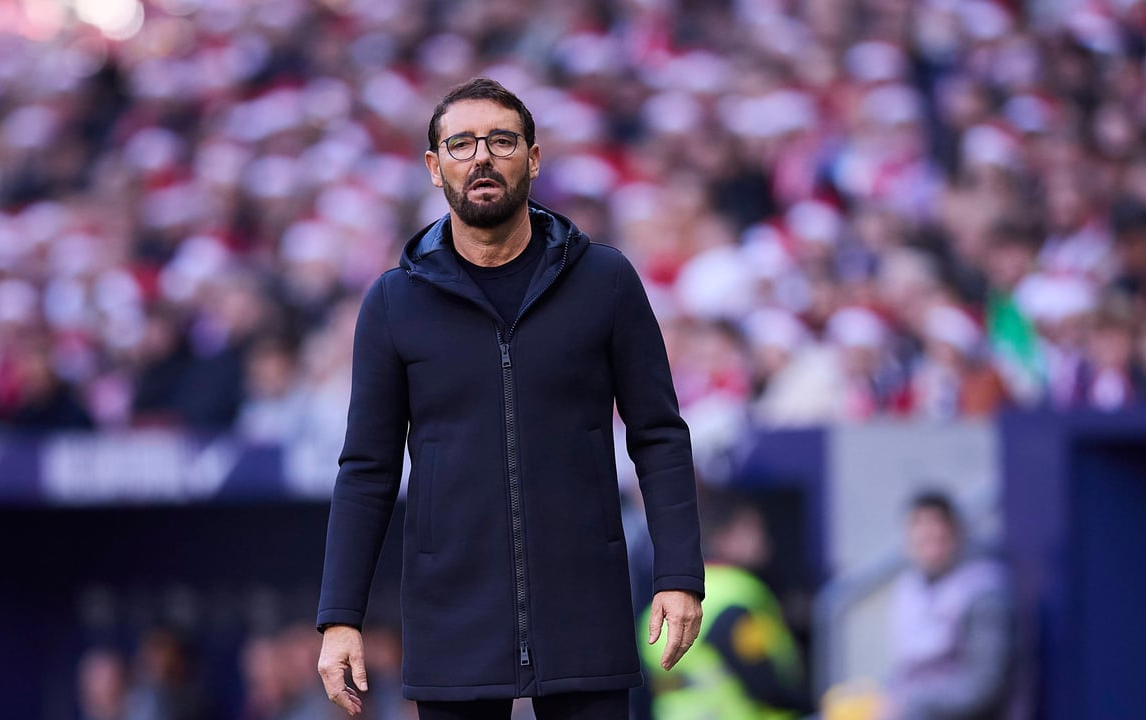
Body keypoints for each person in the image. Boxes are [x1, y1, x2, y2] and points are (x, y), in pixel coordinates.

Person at [315, 78, 705, 720]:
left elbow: (659, 434)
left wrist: (680, 575)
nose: (482, 157)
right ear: (434, 167)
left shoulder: (604, 280)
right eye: (461, 144)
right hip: (451, 614)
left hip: (584, 602)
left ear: (533, 158)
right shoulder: (393, 302)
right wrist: (339, 617)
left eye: (502, 140)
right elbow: (366, 470)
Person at [640, 492, 807, 720]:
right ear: (723, 537)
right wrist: (812, 705)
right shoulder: (736, 592)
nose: (764, 539)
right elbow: (763, 684)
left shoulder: (665, 596)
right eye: (751, 530)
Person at [884, 491, 1012, 720]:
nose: (930, 547)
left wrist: (912, 704)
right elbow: (907, 668)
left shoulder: (982, 592)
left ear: (955, 534)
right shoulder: (912, 588)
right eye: (922, 539)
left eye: (937, 537)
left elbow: (983, 687)